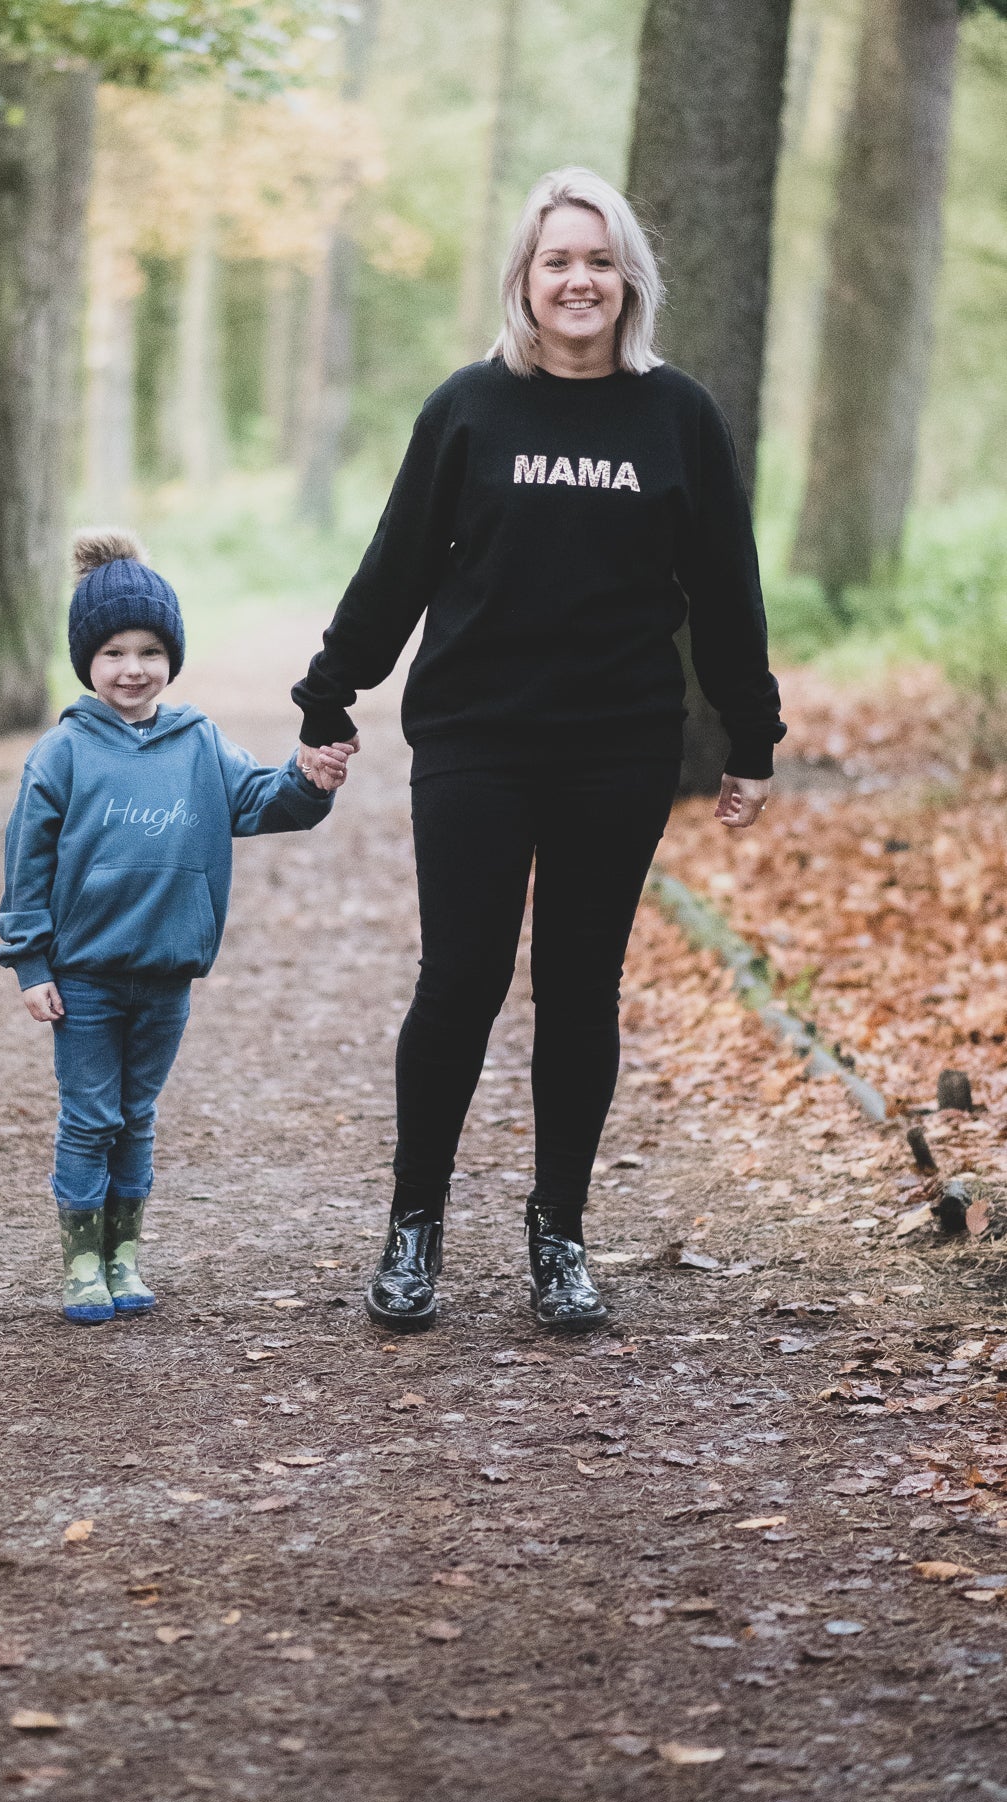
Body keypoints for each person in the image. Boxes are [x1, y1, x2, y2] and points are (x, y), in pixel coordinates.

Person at [290, 165, 784, 1335]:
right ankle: (413, 1229)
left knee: (577, 990)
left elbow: (725, 591)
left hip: (616, 747)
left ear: (628, 282)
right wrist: (330, 690)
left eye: (598, 261)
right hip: (475, 737)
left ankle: (557, 1234)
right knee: (457, 977)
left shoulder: (679, 419)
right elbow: (399, 562)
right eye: (557, 260)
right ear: (523, 279)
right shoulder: (469, 407)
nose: (578, 280)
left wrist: (749, 734)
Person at [0, 531, 351, 1323]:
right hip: (84, 975)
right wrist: (30, 964)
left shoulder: (198, 744)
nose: (133, 668)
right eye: (115, 651)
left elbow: (263, 801)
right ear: (87, 660)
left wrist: (310, 780)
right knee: (90, 1117)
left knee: (137, 1116)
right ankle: (80, 1262)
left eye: (150, 650)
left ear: (172, 656)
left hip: (165, 973)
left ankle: (125, 1254)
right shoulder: (60, 754)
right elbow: (24, 865)